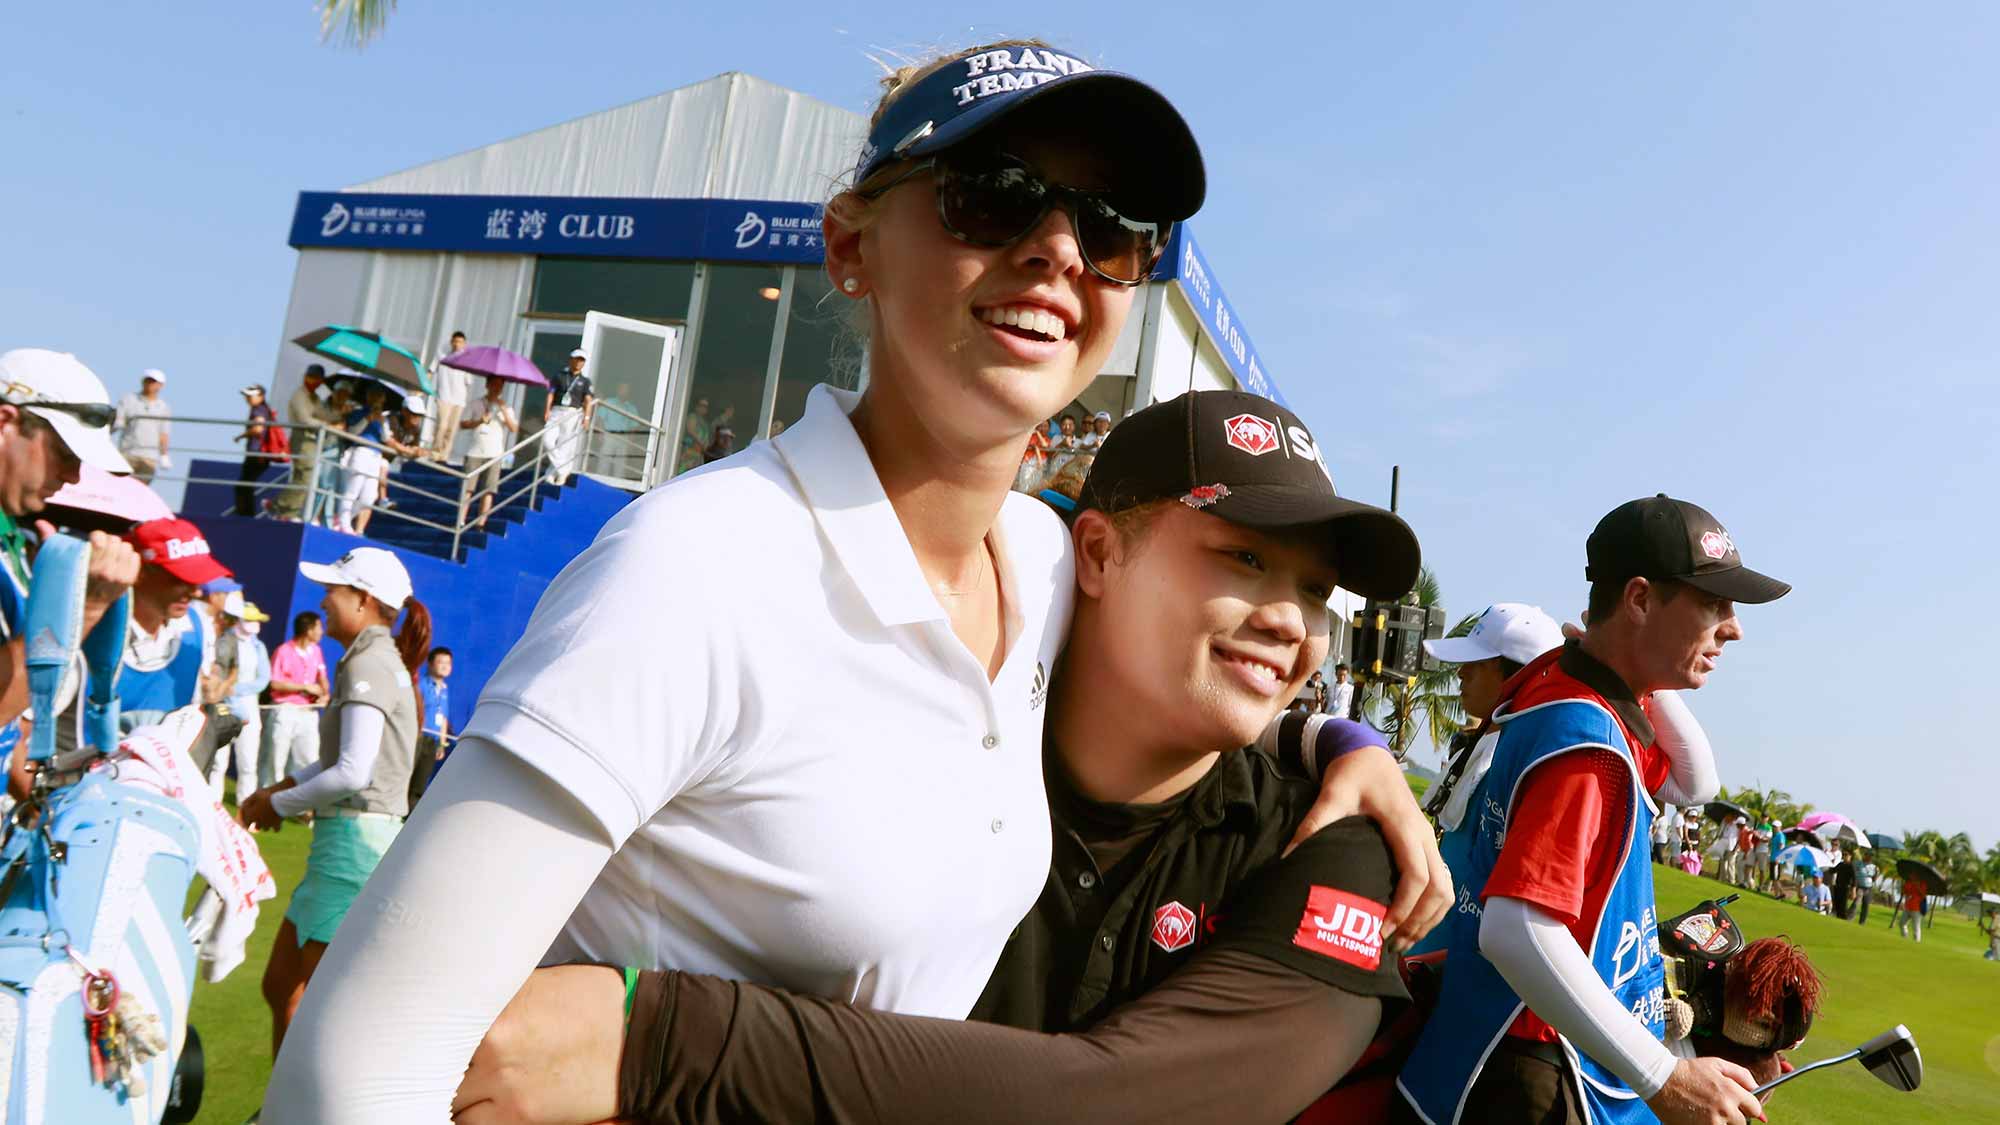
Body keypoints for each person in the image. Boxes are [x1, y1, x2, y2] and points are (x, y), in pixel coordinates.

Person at [262, 41, 1447, 1122]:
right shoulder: (700, 566)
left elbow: (1207, 653)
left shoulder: (1037, 569)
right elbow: (358, 1063)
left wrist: (1343, 745)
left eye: (1112, 227)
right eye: (994, 195)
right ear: (848, 247)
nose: (1056, 250)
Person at [456, 390, 1437, 1125]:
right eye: (1243, 558)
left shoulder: (1332, 840)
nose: (1287, 622)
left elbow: (1121, 1107)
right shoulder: (920, 747)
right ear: (1093, 555)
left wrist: (653, 1039)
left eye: (1316, 592)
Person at [1398, 494, 1790, 1125]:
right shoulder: (1587, 738)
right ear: (1639, 599)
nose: (1733, 627)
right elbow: (1517, 929)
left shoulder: (1576, 692)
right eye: (1714, 603)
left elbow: (1694, 784)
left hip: (1508, 1046)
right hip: (1531, 1069)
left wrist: (1624, 663)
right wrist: (1666, 1077)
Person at [240, 548, 430, 1053]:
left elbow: (352, 771)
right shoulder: (371, 658)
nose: (323, 601)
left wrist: (275, 806)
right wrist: (281, 789)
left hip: (354, 845)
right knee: (281, 987)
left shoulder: (368, 660)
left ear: (364, 600)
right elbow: (338, 761)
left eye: (334, 590)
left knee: (316, 1008)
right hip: (345, 842)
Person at [0, 349, 141, 800]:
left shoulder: (16, 543)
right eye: (64, 452)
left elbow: (9, 729)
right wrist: (87, 607)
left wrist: (43, 808)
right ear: (6, 422)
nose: (74, 475)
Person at [1416, 602, 1566, 898]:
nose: (1461, 673)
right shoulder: (1476, 745)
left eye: (1478, 663)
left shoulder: (1526, 765)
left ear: (1518, 677)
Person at [118, 518, 232, 732]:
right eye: (181, 579)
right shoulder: (93, 628)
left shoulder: (198, 626)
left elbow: (199, 695)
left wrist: (211, 694)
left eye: (198, 580)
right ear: (141, 572)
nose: (196, 592)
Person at [210, 592, 272, 795]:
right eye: (250, 620)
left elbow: (263, 680)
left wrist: (236, 689)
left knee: (248, 763)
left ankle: (245, 811)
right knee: (218, 762)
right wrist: (225, 690)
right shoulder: (223, 641)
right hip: (222, 704)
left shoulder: (258, 646)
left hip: (249, 707)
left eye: (256, 621)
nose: (255, 625)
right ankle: (212, 805)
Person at [262, 611, 330, 788]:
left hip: (308, 712)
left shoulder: (316, 651)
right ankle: (267, 801)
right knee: (276, 758)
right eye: (318, 627)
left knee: (308, 758)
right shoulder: (283, 651)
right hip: (285, 710)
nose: (321, 631)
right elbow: (274, 683)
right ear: (308, 630)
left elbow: (322, 677)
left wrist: (324, 693)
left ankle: (301, 805)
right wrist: (304, 687)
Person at [459, 376, 518, 530]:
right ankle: (461, 519)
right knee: (468, 488)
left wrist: (503, 410)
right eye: (494, 385)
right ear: (487, 385)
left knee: (489, 489)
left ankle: (480, 523)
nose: (497, 388)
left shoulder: (506, 407)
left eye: (500, 385)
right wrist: (479, 421)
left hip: (495, 453)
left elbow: (513, 428)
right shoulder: (476, 403)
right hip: (474, 450)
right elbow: (463, 423)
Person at [279, 364, 333, 521]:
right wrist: (328, 425)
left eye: (316, 378)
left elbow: (324, 414)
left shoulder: (314, 397)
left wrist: (340, 414)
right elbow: (304, 419)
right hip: (301, 437)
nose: (313, 380)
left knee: (302, 476)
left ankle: (282, 509)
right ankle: (285, 510)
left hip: (311, 439)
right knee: (306, 476)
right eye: (311, 376)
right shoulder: (299, 396)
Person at [545, 348, 594, 485]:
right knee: (548, 440)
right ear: (571, 359)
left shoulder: (585, 381)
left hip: (572, 413)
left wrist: (587, 418)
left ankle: (552, 473)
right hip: (556, 411)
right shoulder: (559, 375)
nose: (579, 362)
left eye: (582, 360)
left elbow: (588, 401)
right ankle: (563, 470)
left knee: (564, 444)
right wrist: (547, 410)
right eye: (577, 359)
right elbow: (551, 393)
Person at [114, 367, 172, 482]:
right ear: (143, 381)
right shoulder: (128, 399)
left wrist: (164, 455)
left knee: (140, 492)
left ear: (161, 385)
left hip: (149, 458)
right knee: (119, 487)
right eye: (148, 380)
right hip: (127, 454)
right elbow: (118, 421)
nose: (150, 384)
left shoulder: (164, 407)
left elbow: (164, 434)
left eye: (154, 381)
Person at [411, 645, 452, 805]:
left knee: (420, 783)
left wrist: (441, 744)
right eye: (440, 662)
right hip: (417, 738)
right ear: (430, 664)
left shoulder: (444, 690)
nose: (444, 666)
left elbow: (443, 719)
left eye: (448, 663)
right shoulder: (420, 685)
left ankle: (409, 819)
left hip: (432, 742)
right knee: (409, 777)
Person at [235, 383, 279, 516]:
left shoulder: (258, 409)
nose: (247, 398)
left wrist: (241, 436)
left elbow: (258, 428)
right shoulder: (264, 409)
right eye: (247, 396)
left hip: (256, 453)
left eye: (250, 396)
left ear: (261, 396)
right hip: (261, 454)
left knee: (243, 486)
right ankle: (246, 514)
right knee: (246, 485)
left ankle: (245, 515)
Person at [432, 331, 469, 459]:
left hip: (458, 400)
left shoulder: (466, 362)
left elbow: (468, 382)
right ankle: (435, 453)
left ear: (464, 344)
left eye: (460, 342)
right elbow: (431, 371)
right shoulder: (442, 357)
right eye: (455, 341)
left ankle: (444, 456)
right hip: (444, 396)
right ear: (451, 342)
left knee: (451, 429)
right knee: (442, 425)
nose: (457, 345)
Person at [1897, 876, 1926, 941]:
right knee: (1902, 923)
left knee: (1916, 927)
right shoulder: (1908, 882)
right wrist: (1903, 887)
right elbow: (1905, 892)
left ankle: (1916, 941)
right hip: (1908, 906)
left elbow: (1923, 895)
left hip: (1917, 909)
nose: (1912, 875)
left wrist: (1917, 885)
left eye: (1913, 874)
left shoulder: (1922, 883)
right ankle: (1905, 937)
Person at [1856, 853, 1878, 924]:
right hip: (1860, 886)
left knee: (1866, 905)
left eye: (1871, 856)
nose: (1869, 857)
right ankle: (1850, 917)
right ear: (1865, 856)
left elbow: (1874, 879)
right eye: (1868, 856)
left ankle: (1862, 922)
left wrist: (1877, 873)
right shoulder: (1860, 863)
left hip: (1868, 887)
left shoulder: (1874, 867)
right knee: (1856, 903)